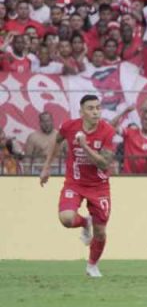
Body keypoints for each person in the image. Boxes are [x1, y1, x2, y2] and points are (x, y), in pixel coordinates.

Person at [39, 95, 117, 278]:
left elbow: (104, 163)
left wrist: (84, 146)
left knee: (100, 232)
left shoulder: (107, 131)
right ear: (81, 112)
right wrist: (46, 167)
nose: (95, 112)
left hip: (99, 186)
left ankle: (92, 266)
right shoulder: (69, 127)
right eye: (90, 108)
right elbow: (57, 141)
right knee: (66, 218)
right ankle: (85, 221)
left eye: (98, 108)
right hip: (74, 182)